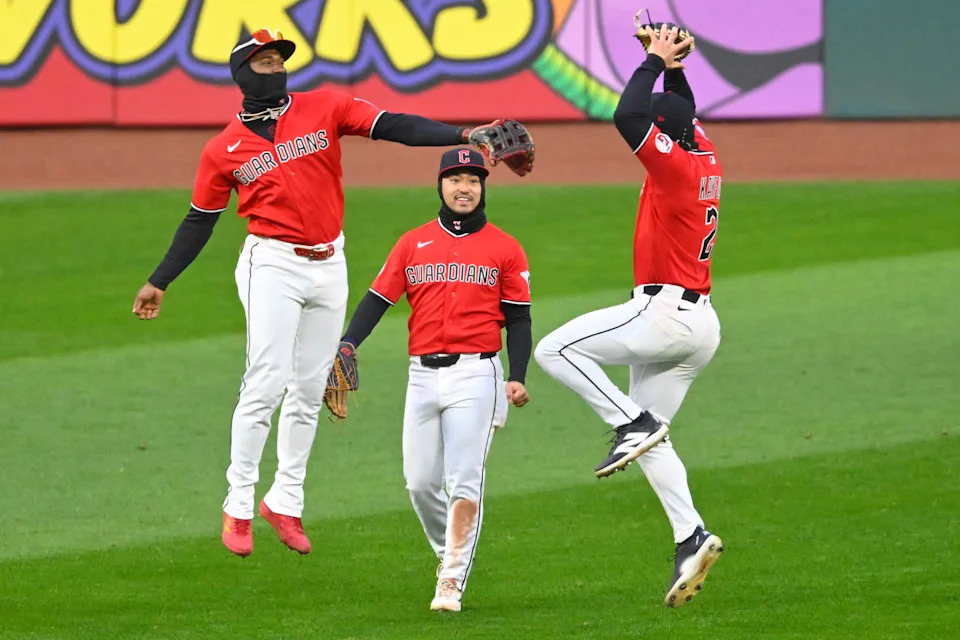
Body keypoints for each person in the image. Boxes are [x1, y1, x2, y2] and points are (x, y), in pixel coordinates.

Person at [131, 28, 518, 558]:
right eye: (264, 62)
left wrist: (461, 134)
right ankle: (238, 504)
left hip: (329, 262)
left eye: (279, 61)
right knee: (266, 379)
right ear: (242, 74)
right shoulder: (223, 149)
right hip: (271, 262)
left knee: (311, 388)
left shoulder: (325, 107)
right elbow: (200, 220)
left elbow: (393, 126)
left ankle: (285, 499)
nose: (276, 69)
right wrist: (160, 279)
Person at [533, 26, 724, 607]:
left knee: (555, 350)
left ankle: (629, 423)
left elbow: (627, 115)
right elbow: (676, 113)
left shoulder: (674, 170)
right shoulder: (703, 152)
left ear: (663, 138)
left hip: (663, 313)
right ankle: (690, 534)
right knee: (656, 443)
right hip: (703, 326)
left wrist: (650, 60)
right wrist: (676, 68)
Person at [337, 148, 532, 612]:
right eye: (455, 179)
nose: (464, 188)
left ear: (483, 187)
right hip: (421, 376)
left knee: (464, 479)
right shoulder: (412, 243)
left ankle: (451, 579)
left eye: (473, 179)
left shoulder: (505, 247)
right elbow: (377, 299)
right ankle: (450, 555)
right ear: (440, 185)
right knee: (419, 482)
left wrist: (518, 375)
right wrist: (348, 343)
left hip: (477, 374)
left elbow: (519, 319)